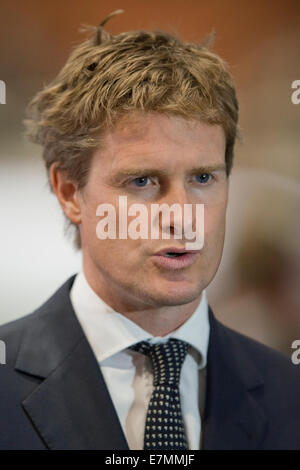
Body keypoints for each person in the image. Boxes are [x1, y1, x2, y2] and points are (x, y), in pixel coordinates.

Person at [0, 10, 299, 450]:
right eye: (142, 181)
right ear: (68, 191)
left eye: (203, 178)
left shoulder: (289, 395)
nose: (183, 215)